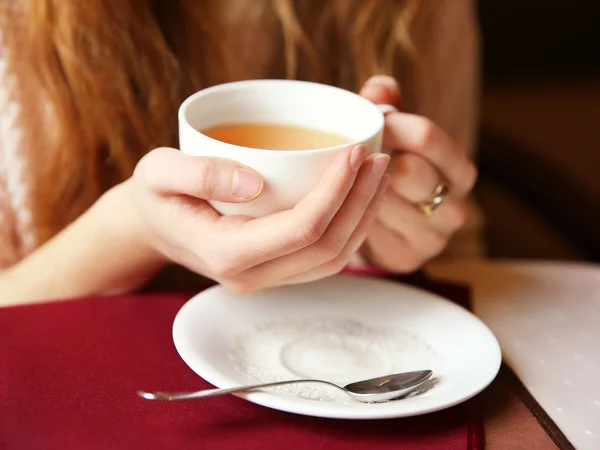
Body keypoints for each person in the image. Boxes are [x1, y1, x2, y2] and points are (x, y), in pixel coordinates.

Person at [0, 0, 482, 306]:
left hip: (319, 358)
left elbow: (463, 249)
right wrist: (135, 229)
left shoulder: (412, 11)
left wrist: (411, 228)